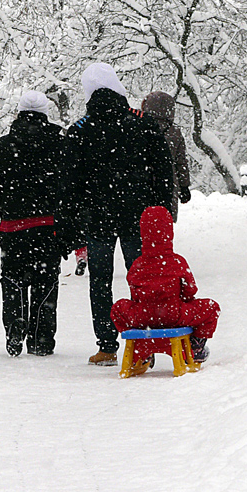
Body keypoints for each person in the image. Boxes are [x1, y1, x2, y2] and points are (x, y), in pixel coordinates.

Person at [61, 63, 174, 367]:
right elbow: (164, 171)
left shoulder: (80, 130)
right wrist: (164, 209)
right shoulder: (144, 124)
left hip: (98, 219)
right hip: (138, 216)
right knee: (142, 279)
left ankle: (107, 345)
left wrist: (71, 220)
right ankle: (144, 342)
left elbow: (70, 182)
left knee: (100, 281)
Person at [0, 91, 66, 357]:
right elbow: (68, 187)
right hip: (48, 226)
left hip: (13, 226)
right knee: (46, 281)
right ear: (45, 114)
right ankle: (41, 337)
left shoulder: (4, 145)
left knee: (13, 279)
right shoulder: (59, 144)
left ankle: (15, 325)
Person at [111, 206, 220, 376]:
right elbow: (190, 291)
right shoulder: (177, 262)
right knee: (211, 307)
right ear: (170, 233)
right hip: (174, 315)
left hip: (143, 316)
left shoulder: (137, 265)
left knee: (117, 308)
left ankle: (140, 348)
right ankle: (196, 347)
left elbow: (134, 293)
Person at [142, 92, 193, 221]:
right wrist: (184, 186)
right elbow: (181, 162)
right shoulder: (174, 132)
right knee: (162, 224)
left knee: (142, 224)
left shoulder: (139, 127)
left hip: (143, 182)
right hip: (168, 185)